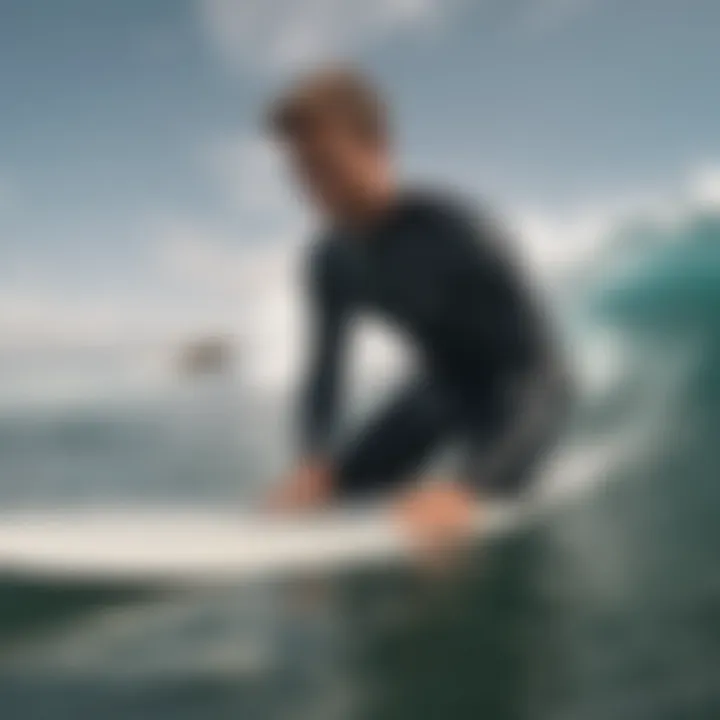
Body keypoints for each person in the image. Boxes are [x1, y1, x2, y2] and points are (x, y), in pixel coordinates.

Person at [266, 67, 571, 549]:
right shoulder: (330, 262)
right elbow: (325, 369)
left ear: (378, 146)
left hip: (512, 394)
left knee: (465, 504)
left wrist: (471, 487)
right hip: (438, 391)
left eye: (324, 164)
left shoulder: (457, 232)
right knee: (338, 494)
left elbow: (548, 375)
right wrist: (314, 461)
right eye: (301, 171)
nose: (312, 187)